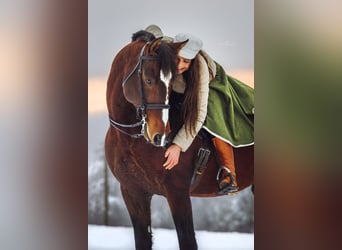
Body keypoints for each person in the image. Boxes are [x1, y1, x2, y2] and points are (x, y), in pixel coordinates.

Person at [163, 33, 254, 194]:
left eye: (186, 61)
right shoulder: (166, 48)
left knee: (214, 117)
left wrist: (178, 145)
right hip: (182, 88)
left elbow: (199, 113)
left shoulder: (200, 70)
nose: (179, 65)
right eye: (177, 59)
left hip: (212, 86)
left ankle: (228, 173)